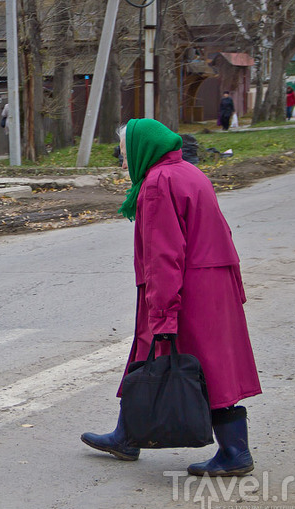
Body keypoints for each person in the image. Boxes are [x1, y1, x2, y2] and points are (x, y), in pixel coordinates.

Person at [81, 118, 262, 476]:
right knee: (154, 357)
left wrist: (163, 312)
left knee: (200, 367)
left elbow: (165, 254)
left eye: (124, 154)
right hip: (212, 285)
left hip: (186, 290)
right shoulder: (189, 172)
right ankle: (127, 436)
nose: (122, 163)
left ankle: (235, 453)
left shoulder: (158, 183)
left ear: (142, 151)